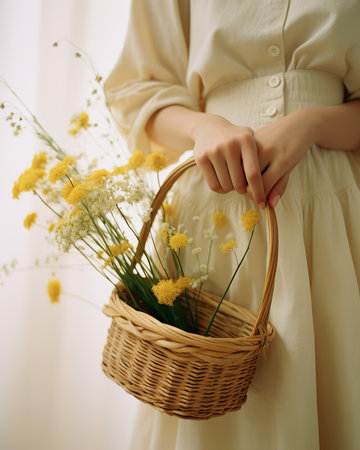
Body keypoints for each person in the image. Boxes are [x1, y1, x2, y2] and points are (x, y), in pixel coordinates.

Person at [105, 1, 360, 449]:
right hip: (213, 210)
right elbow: (139, 89)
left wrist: (314, 121)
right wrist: (203, 127)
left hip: (332, 212)